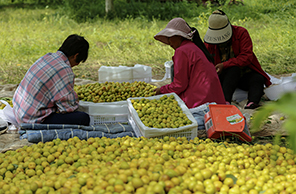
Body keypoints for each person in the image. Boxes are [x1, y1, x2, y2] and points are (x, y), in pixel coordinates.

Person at [13, 34, 90, 125]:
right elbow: (67, 108)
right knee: (83, 118)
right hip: (31, 120)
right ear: (75, 56)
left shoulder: (47, 57)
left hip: (18, 111)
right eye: (78, 61)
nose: (77, 65)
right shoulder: (64, 70)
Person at [204, 10, 271, 109]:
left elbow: (246, 57)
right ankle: (225, 101)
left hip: (245, 74)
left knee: (257, 79)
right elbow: (206, 61)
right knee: (233, 70)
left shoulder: (241, 33)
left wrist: (225, 64)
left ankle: (252, 102)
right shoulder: (210, 42)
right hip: (225, 78)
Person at [154, 18, 226, 109]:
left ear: (179, 36)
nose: (169, 42)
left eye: (170, 38)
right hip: (214, 100)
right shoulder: (193, 47)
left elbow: (179, 85)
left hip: (201, 102)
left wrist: (161, 90)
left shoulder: (182, 51)